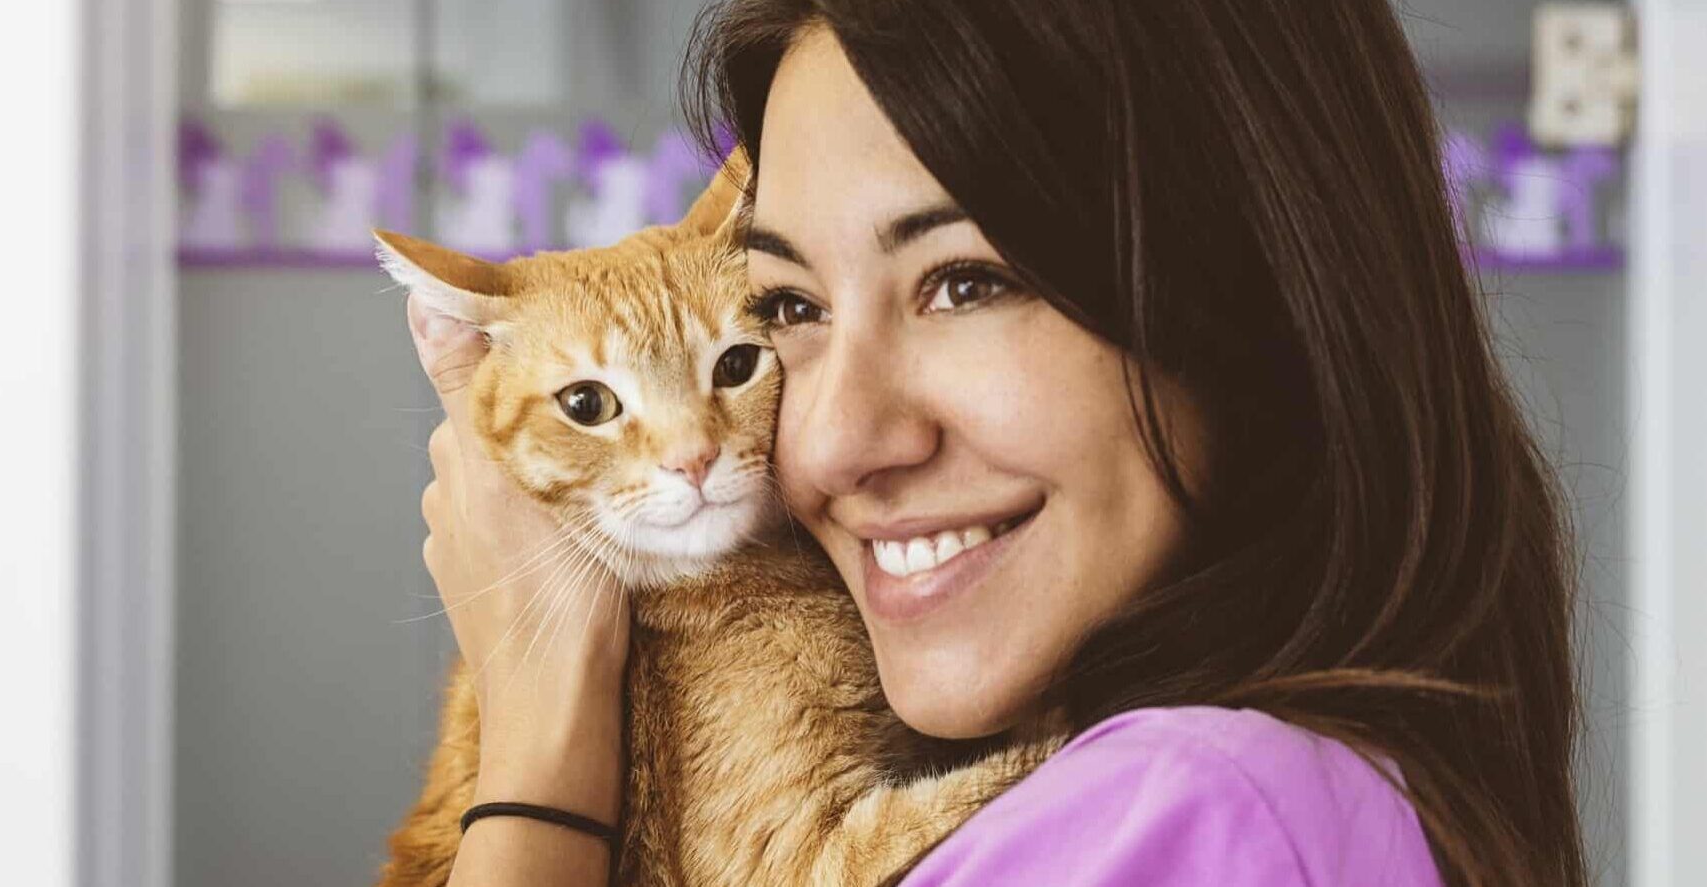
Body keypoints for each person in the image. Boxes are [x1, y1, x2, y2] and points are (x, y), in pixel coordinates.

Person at [411, 1, 1585, 884]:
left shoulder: (1181, 811)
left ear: (1267, 303)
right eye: (790, 309)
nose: (829, 441)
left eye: (967, 281)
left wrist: (536, 761)